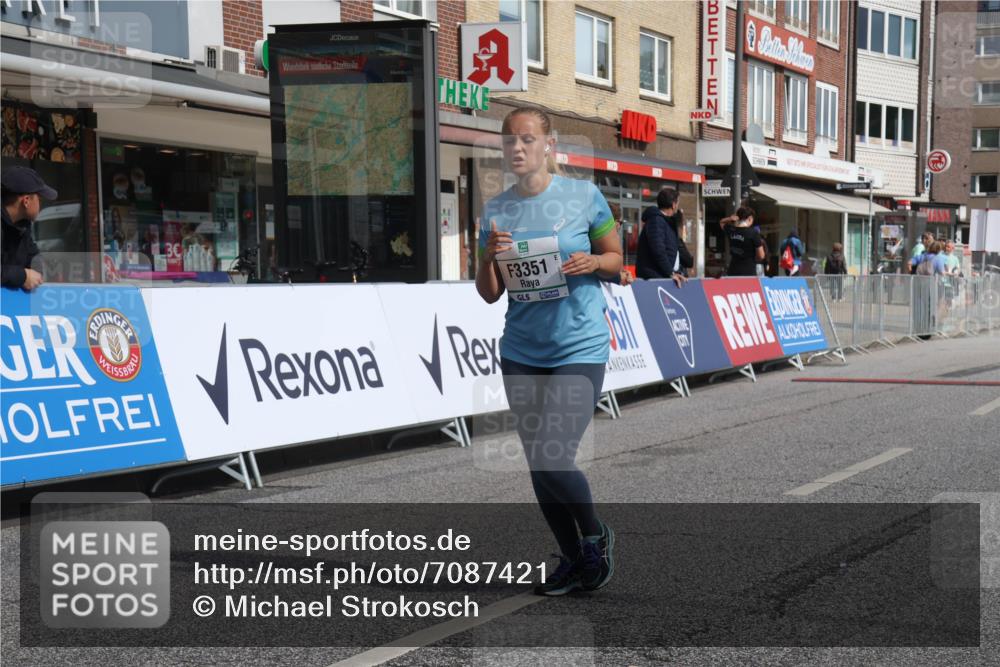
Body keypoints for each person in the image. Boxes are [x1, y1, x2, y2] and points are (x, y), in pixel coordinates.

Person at [475, 106, 622, 596]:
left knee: (553, 456)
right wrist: (488, 258)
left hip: (579, 345)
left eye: (527, 139)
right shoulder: (496, 210)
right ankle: (572, 557)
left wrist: (593, 262)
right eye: (509, 141)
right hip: (521, 351)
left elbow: (616, 260)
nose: (517, 148)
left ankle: (595, 538)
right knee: (539, 463)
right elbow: (489, 293)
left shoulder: (584, 196)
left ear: (548, 145)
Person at [2, 166, 57, 290]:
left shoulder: (23, 227)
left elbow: (34, 257)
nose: (40, 204)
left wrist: (37, 272)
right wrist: (23, 276)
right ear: (26, 201)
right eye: (39, 199)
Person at [636, 187, 687, 288]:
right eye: (677, 203)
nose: (678, 207)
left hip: (662, 275)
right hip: (654, 278)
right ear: (673, 205)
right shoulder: (656, 220)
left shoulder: (666, 221)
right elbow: (658, 250)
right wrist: (670, 273)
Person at [720, 206, 764, 277]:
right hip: (748, 271)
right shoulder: (753, 233)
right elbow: (761, 255)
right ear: (750, 218)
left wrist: (730, 218)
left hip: (733, 270)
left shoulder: (731, 230)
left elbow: (722, 222)